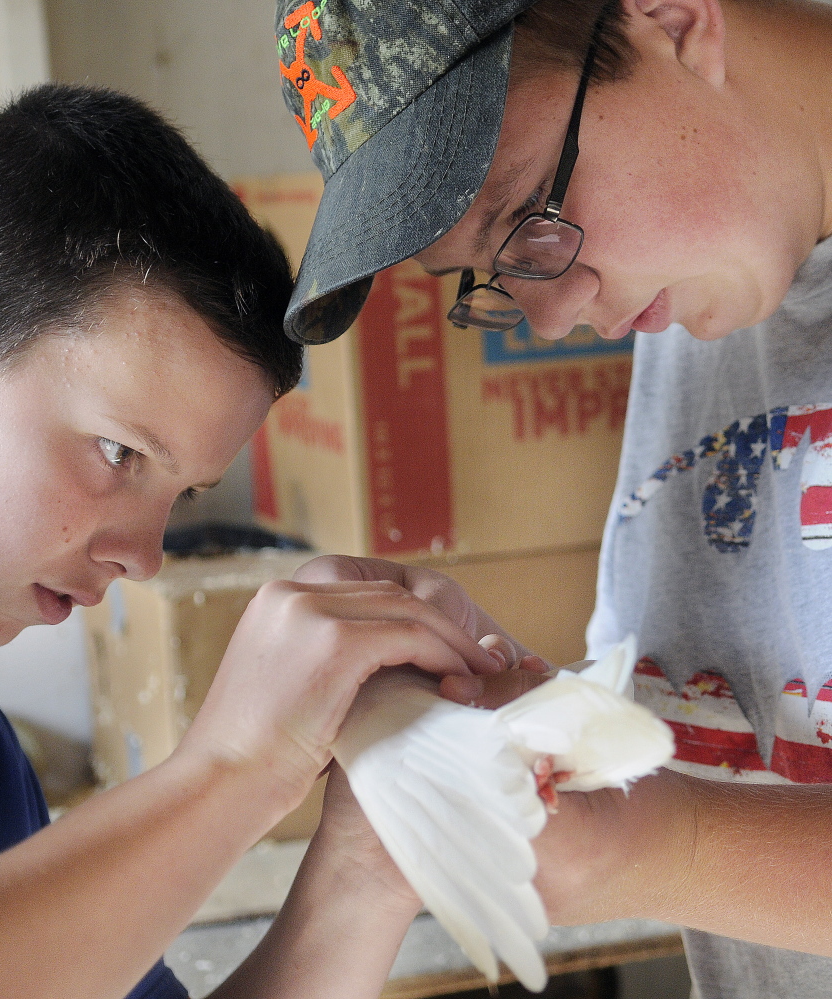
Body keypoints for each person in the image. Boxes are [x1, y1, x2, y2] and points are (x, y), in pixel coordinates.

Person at [0, 82, 509, 999]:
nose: (145, 556)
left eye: (182, 491)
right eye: (119, 451)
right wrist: (235, 768)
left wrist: (368, 866)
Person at [274, 0, 832, 995]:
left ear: (669, 18)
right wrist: (524, 727)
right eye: (492, 275)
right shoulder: (713, 280)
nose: (552, 312)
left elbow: (682, 836)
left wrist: (664, 848)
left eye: (529, 220)